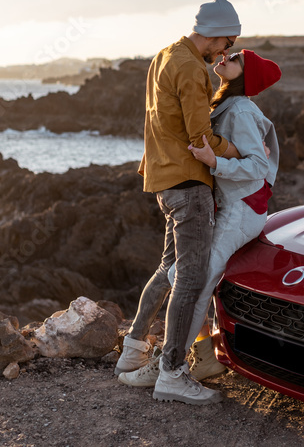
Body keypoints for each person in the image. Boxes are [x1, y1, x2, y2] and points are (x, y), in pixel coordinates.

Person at [119, 48, 281, 387]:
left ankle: (168, 364)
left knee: (193, 282)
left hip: (241, 212)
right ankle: (201, 359)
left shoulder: (240, 109)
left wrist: (213, 160)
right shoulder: (225, 104)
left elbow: (257, 166)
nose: (225, 56)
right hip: (233, 207)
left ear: (245, 74)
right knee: (189, 280)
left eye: (235, 57)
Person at [114, 0, 241, 405]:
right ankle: (172, 372)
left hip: (163, 180)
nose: (227, 50)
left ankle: (132, 350)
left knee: (168, 268)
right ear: (216, 31)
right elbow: (199, 137)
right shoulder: (190, 66)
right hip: (188, 184)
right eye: (228, 40)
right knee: (189, 278)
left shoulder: (166, 55)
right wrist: (238, 152)